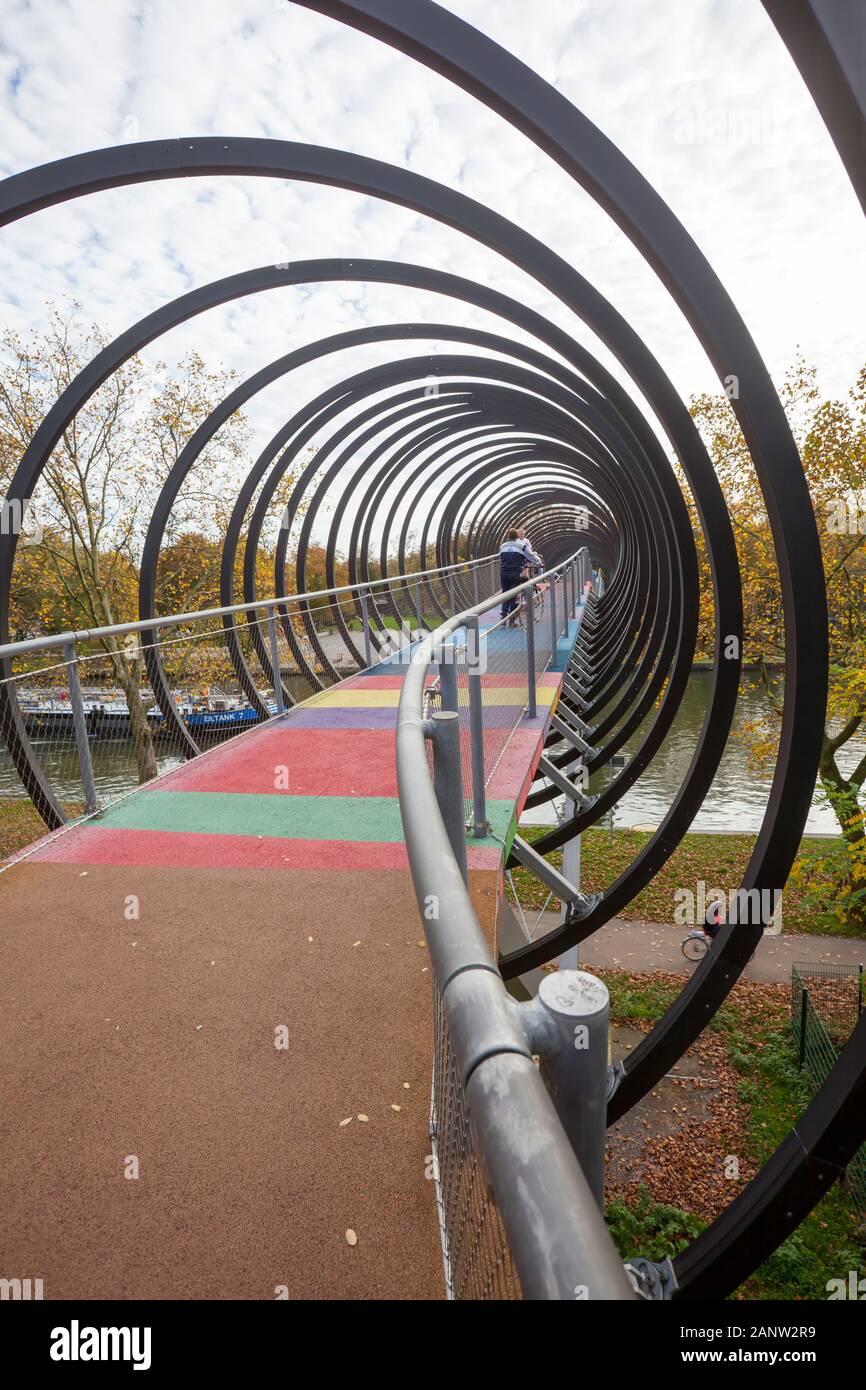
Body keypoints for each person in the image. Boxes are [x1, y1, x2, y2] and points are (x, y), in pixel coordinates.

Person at [499, 528, 542, 624]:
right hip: (515, 573)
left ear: (508, 536)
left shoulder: (502, 546)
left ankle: (503, 616)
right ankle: (512, 621)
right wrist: (539, 563)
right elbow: (531, 556)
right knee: (515, 594)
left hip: (503, 573)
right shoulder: (522, 546)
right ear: (518, 536)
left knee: (505, 593)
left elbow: (501, 558)